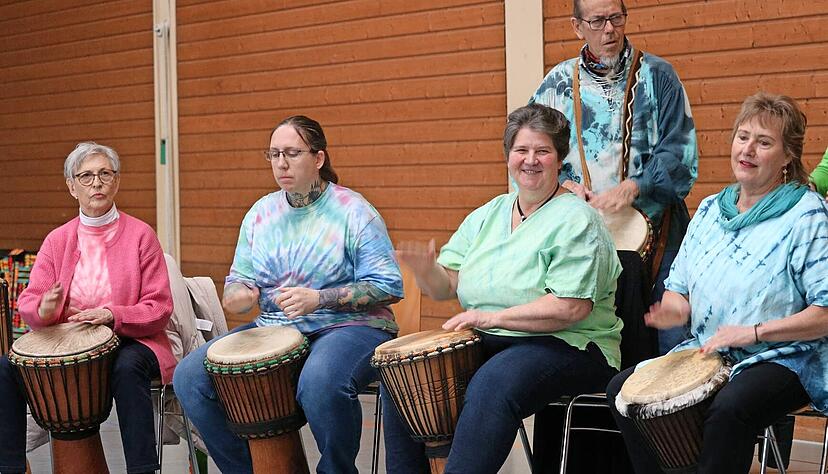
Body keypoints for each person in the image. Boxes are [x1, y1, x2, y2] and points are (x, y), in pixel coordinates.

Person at [381, 103, 622, 474]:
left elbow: (570, 308)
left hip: (570, 344)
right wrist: (426, 270)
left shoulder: (578, 219)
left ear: (559, 159)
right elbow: (446, 286)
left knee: (493, 382)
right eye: (521, 150)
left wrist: (491, 317)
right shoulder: (489, 213)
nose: (531, 160)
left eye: (542, 151)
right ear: (509, 156)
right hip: (493, 340)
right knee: (405, 376)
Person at [607, 92, 828, 473]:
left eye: (764, 142)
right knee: (623, 393)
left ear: (788, 156)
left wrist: (754, 332)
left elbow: (824, 314)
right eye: (743, 137)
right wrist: (674, 308)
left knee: (730, 409)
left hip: (787, 356)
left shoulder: (806, 215)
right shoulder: (711, 209)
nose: (748, 150)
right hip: (710, 350)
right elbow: (679, 288)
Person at [173, 115, 404, 474]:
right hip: (274, 326)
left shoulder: (354, 211)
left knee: (320, 383)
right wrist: (237, 295)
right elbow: (239, 280)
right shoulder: (260, 214)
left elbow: (388, 285)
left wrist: (320, 298)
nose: (281, 163)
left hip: (349, 326)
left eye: (292, 153)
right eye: (274, 154)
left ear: (318, 158)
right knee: (189, 377)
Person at [530, 0, 699, 354]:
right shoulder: (556, 86)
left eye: (615, 18)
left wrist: (635, 186)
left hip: (660, 233)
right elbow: (531, 154)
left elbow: (681, 156)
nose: (609, 29)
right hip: (582, 240)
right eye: (597, 21)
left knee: (672, 342)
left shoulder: (659, 76)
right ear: (577, 26)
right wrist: (562, 187)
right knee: (588, 345)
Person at [0, 142, 175, 474]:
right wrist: (46, 309)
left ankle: (142, 469)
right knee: (5, 369)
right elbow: (30, 304)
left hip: (131, 339)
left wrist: (112, 315)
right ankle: (10, 468)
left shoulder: (141, 235)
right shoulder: (57, 240)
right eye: (86, 176)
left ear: (116, 181)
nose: (97, 183)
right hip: (66, 341)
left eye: (105, 174)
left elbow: (159, 307)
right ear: (72, 186)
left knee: (127, 368)